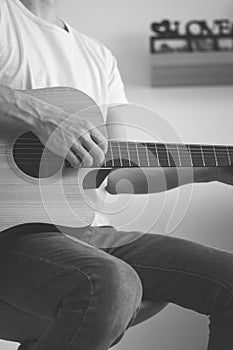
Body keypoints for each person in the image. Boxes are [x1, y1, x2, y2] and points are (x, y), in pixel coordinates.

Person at [0, 1, 233, 349]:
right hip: (12, 233)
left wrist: (211, 170)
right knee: (114, 283)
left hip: (91, 232)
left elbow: (120, 173)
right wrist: (43, 119)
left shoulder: (99, 56)